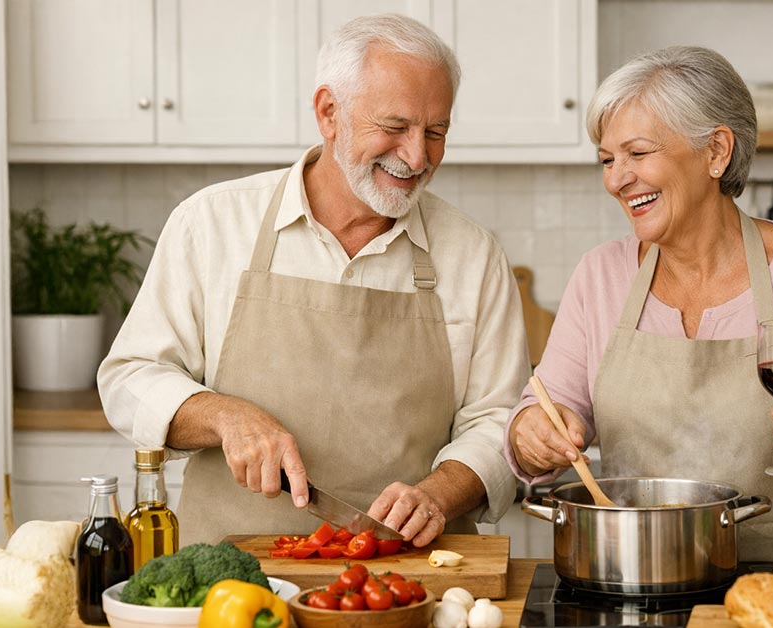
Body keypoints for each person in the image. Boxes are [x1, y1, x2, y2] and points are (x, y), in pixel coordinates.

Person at [98, 14, 529, 546]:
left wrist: (440, 493)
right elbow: (130, 378)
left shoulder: (473, 255)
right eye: (394, 127)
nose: (417, 156)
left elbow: (500, 421)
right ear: (329, 112)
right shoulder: (211, 223)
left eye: (435, 132)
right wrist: (222, 416)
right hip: (231, 582)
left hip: (408, 583)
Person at [504, 46, 773, 560]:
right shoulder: (600, 275)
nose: (617, 179)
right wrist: (530, 435)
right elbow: (543, 412)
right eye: (607, 159)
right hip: (651, 576)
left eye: (638, 154)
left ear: (716, 152)